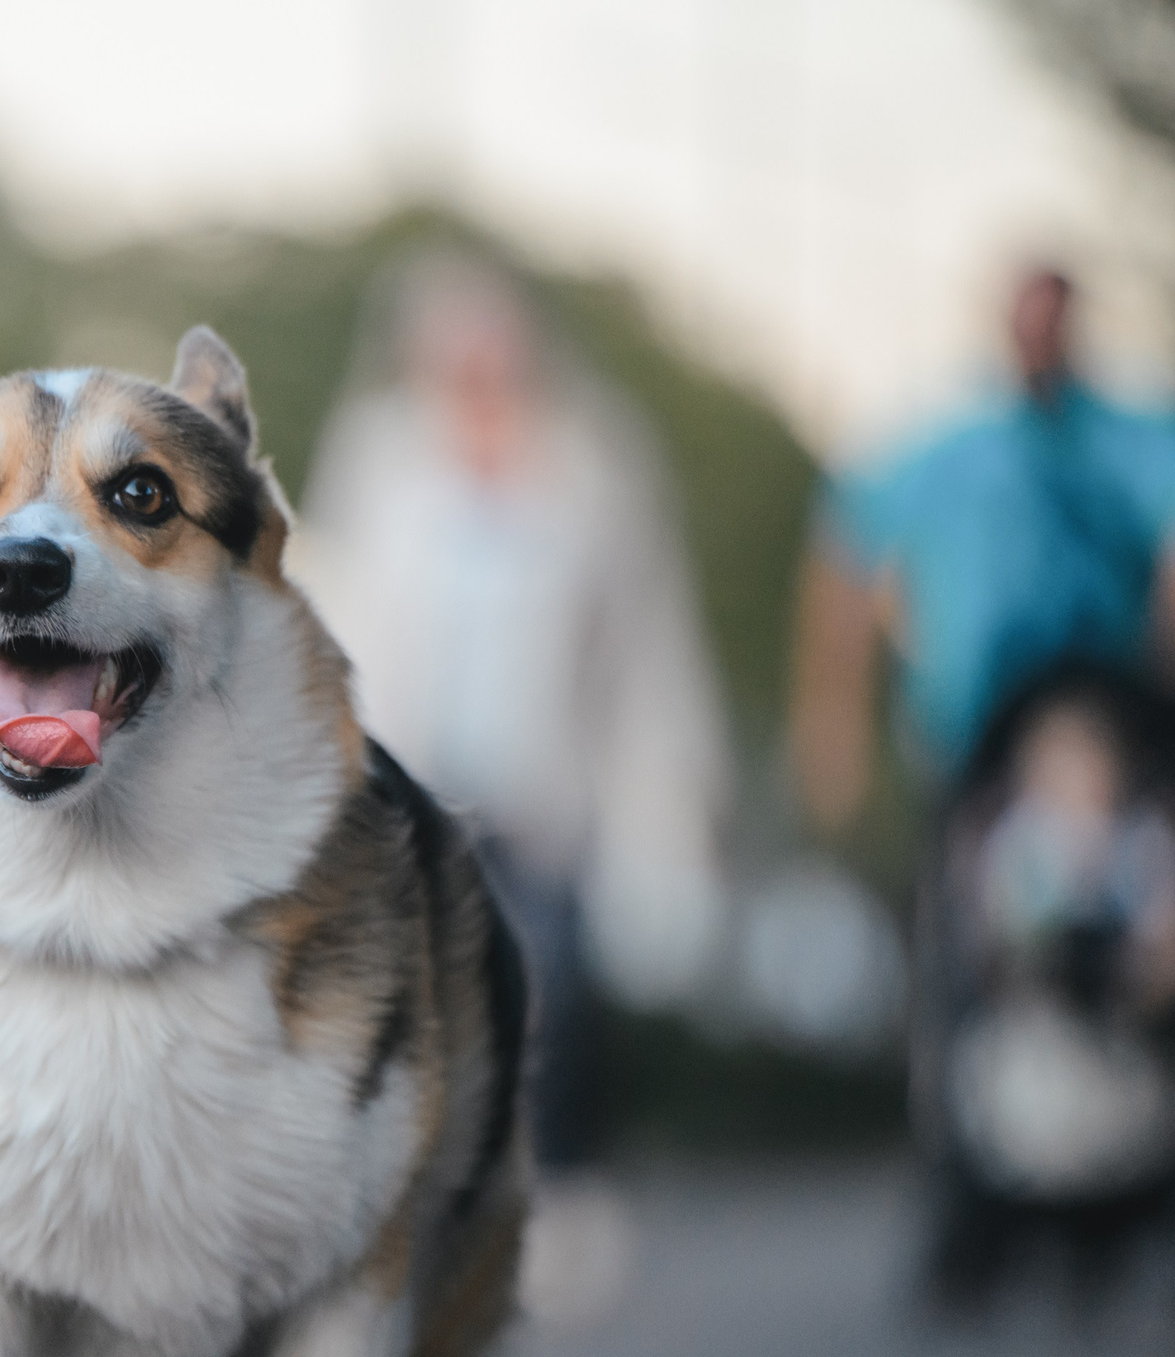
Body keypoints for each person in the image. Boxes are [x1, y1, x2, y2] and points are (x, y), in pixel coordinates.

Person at [292, 250, 732, 1176]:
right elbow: (343, 611)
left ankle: (551, 1184)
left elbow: (646, 648)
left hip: (546, 785)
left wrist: (672, 786)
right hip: (416, 773)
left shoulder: (592, 472)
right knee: (416, 993)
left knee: (544, 996)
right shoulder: (382, 459)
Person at [789, 266, 1175, 828]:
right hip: (973, 732)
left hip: (1112, 716)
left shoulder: (1131, 441)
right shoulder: (950, 451)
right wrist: (833, 722)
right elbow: (848, 540)